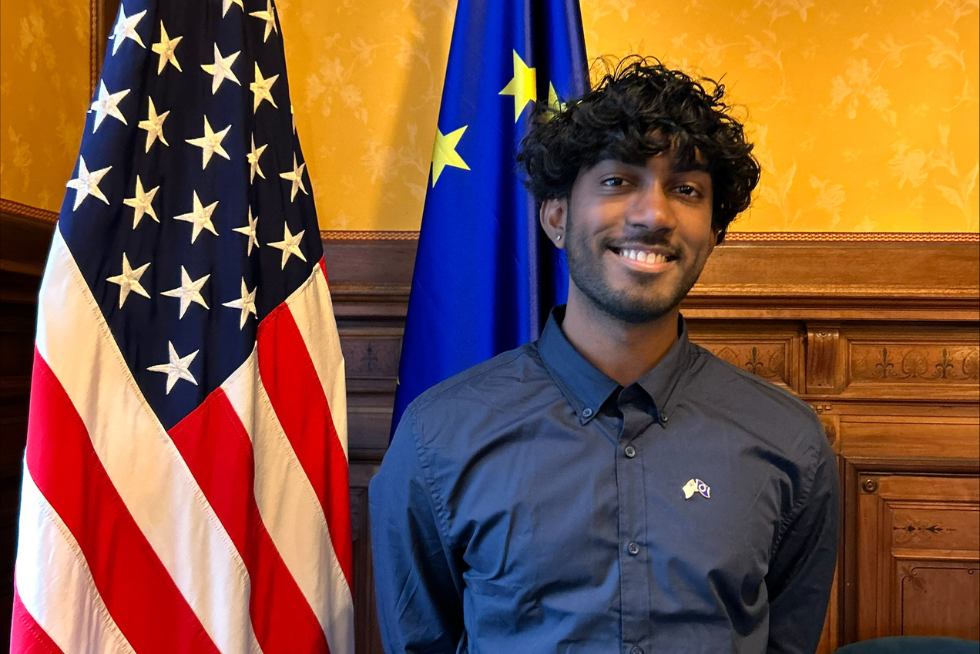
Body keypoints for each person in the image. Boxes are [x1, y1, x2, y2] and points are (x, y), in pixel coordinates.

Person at [370, 56, 839, 654]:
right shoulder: (438, 438)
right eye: (618, 182)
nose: (654, 214)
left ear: (713, 232)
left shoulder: (789, 440)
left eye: (687, 190)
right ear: (557, 216)